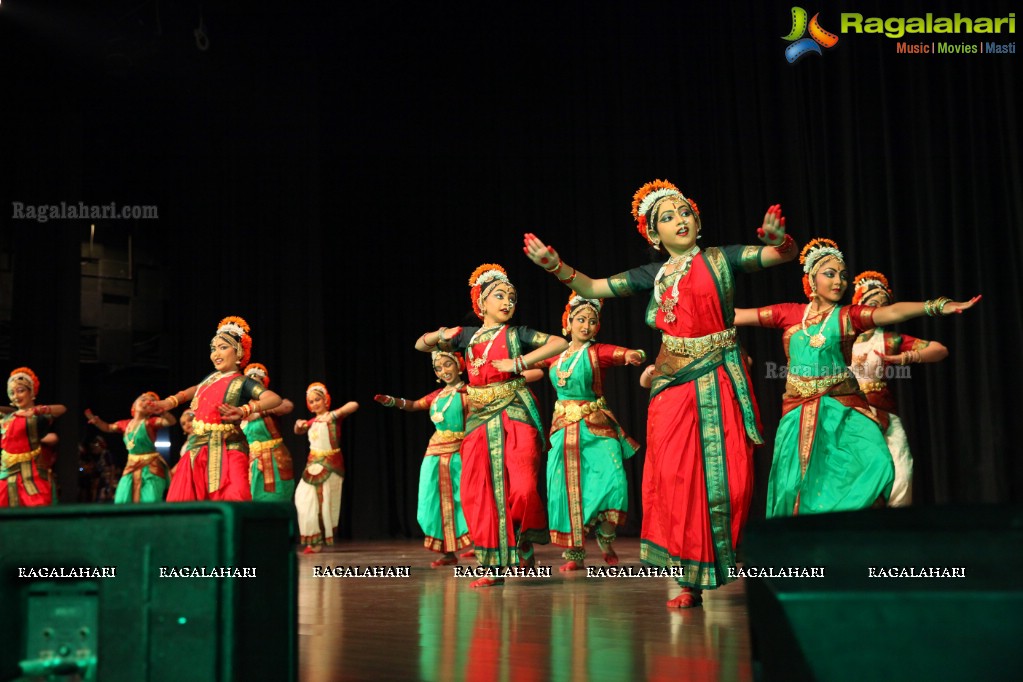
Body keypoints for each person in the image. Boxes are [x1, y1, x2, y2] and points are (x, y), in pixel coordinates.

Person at [523, 179, 796, 608]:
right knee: (674, 478)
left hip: (719, 378)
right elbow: (593, 288)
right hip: (672, 385)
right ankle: (689, 581)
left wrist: (782, 243)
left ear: (698, 220)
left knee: (731, 479)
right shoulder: (652, 276)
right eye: (666, 217)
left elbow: (773, 257)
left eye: (684, 212)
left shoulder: (719, 259)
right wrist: (555, 266)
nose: (679, 220)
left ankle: (720, 557)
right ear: (654, 235)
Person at [732, 239, 979, 517]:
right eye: (830, 273)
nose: (839, 281)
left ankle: (857, 534)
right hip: (798, 413)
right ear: (811, 278)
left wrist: (935, 306)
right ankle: (803, 543)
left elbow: (893, 312)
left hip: (842, 409)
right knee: (794, 486)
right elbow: (736, 315)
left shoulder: (849, 316)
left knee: (877, 461)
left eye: (843, 275)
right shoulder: (789, 314)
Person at [416, 263, 568, 587]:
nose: (508, 302)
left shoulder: (518, 334)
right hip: (479, 418)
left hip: (515, 412)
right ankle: (493, 566)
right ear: (482, 303)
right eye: (500, 295)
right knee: (479, 492)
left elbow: (559, 343)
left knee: (524, 489)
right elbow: (421, 344)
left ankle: (522, 539)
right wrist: (441, 335)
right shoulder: (466, 337)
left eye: (512, 297)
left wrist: (519, 362)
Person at [535, 293, 644, 571]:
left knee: (614, 480)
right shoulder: (553, 355)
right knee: (566, 487)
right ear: (568, 322)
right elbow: (529, 370)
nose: (587, 326)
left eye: (592, 321)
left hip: (596, 426)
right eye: (581, 319)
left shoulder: (598, 352)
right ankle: (575, 552)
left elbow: (625, 353)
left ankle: (606, 536)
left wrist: (635, 355)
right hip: (563, 429)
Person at [152, 316, 283, 502]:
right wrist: (171, 402)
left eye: (223, 347)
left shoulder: (243, 382)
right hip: (197, 448)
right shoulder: (210, 378)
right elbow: (195, 389)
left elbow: (273, 398)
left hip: (229, 446)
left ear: (238, 353)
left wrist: (244, 410)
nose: (215, 353)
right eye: (213, 349)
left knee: (236, 496)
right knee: (186, 501)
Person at [849, 271, 950, 507]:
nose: (880, 311)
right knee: (859, 475)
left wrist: (906, 357)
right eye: (873, 305)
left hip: (884, 411)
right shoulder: (842, 336)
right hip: (849, 415)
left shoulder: (891, 339)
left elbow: (939, 349)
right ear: (860, 306)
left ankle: (896, 526)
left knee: (902, 468)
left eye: (884, 306)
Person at [375, 351, 473, 567]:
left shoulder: (469, 392)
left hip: (460, 451)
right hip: (434, 452)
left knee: (464, 498)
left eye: (448, 365)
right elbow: (412, 405)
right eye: (439, 368)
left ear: (459, 366)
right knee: (432, 501)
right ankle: (447, 552)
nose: (444, 371)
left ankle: (479, 541)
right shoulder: (436, 396)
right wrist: (392, 401)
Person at [294, 383, 358, 553]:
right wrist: (298, 424)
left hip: (330, 464)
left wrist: (335, 413)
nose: (315, 404)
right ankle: (313, 537)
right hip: (312, 464)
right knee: (303, 498)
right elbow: (298, 431)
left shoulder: (332, 417)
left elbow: (354, 405)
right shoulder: (312, 421)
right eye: (311, 401)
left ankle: (317, 542)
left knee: (325, 502)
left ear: (325, 400)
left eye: (317, 400)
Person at [85, 392, 177, 503]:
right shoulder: (124, 424)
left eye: (150, 402)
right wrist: (97, 422)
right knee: (122, 499)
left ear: (152, 410)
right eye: (142, 399)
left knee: (151, 498)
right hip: (132, 464)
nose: (145, 402)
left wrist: (163, 412)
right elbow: (108, 427)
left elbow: (171, 421)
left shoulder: (151, 423)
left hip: (151, 465)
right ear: (134, 405)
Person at [1, 367, 66, 507]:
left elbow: (62, 409)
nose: (16, 396)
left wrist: (36, 410)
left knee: (35, 509)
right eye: (11, 393)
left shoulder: (37, 416)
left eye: (20, 391)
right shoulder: (6, 418)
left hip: (30, 474)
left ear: (32, 393)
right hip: (6, 473)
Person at [241, 363, 295, 503]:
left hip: (275, 458)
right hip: (254, 462)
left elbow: (288, 405)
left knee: (277, 497)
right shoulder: (242, 409)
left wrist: (259, 411)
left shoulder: (270, 402)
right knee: (254, 499)